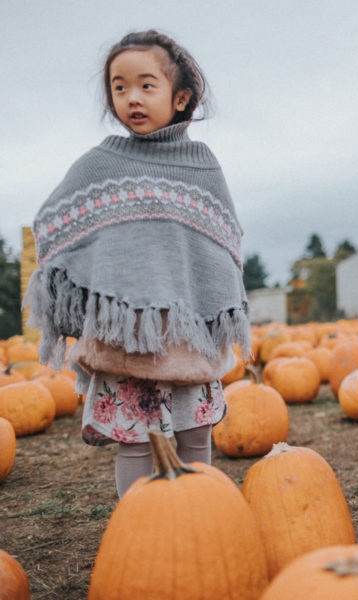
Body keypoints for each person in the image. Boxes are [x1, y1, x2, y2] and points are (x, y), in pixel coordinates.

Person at [25, 30, 250, 498]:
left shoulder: (203, 165)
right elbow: (53, 225)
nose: (132, 98)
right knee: (135, 443)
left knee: (194, 435)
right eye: (119, 86)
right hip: (126, 338)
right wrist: (88, 293)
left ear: (180, 95)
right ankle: (140, 523)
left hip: (187, 336)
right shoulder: (100, 165)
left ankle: (199, 519)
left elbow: (223, 244)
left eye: (147, 85)